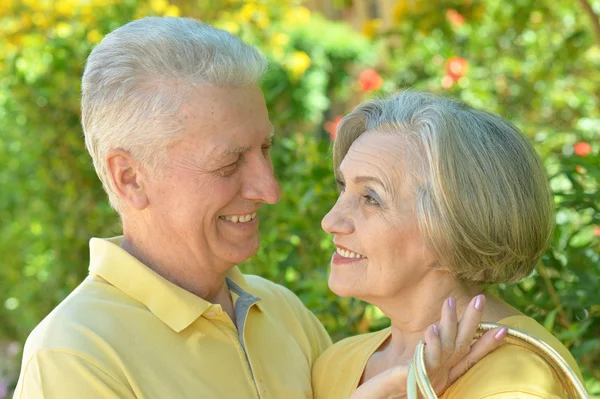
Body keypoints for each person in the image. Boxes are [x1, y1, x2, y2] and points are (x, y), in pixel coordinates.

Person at [13, 18, 503, 399]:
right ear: (130, 177)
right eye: (229, 162)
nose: (269, 190)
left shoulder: (284, 315)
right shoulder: (74, 354)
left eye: (265, 149)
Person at [312, 91, 585, 398]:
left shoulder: (516, 384)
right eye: (343, 187)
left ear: (454, 228)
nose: (330, 220)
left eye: (371, 198)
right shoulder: (336, 364)